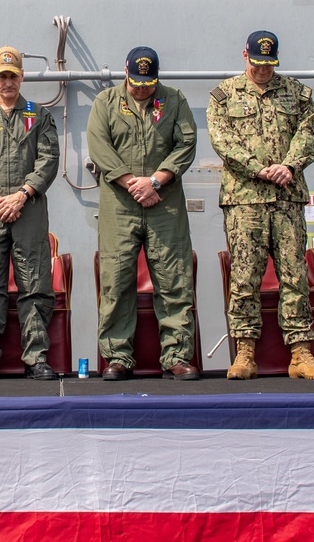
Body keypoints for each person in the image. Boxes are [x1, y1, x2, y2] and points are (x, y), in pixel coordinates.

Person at [207, 30, 314, 380]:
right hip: (245, 198)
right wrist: (258, 168)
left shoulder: (298, 94)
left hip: (287, 196)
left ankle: (301, 352)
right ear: (245, 55)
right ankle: (245, 352)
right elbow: (222, 140)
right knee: (245, 276)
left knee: (295, 274)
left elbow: (307, 136)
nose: (263, 70)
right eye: (257, 63)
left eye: (269, 64)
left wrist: (288, 166)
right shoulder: (223, 95)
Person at [86, 46, 200, 381]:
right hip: (119, 205)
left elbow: (186, 144)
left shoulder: (174, 100)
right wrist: (131, 182)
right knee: (117, 278)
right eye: (136, 81)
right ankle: (118, 357)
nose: (141, 88)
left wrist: (155, 181)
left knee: (173, 277)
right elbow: (99, 145)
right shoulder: (105, 102)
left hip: (164, 202)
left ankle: (177, 356)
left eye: (148, 82)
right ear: (125, 71)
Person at [0, 46, 60, 381]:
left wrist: (21, 195)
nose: (7, 83)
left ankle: (36, 358)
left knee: (34, 284)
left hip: (28, 210)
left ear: (22, 77)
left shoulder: (38, 115)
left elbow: (48, 159)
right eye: (2, 76)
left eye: (13, 76)